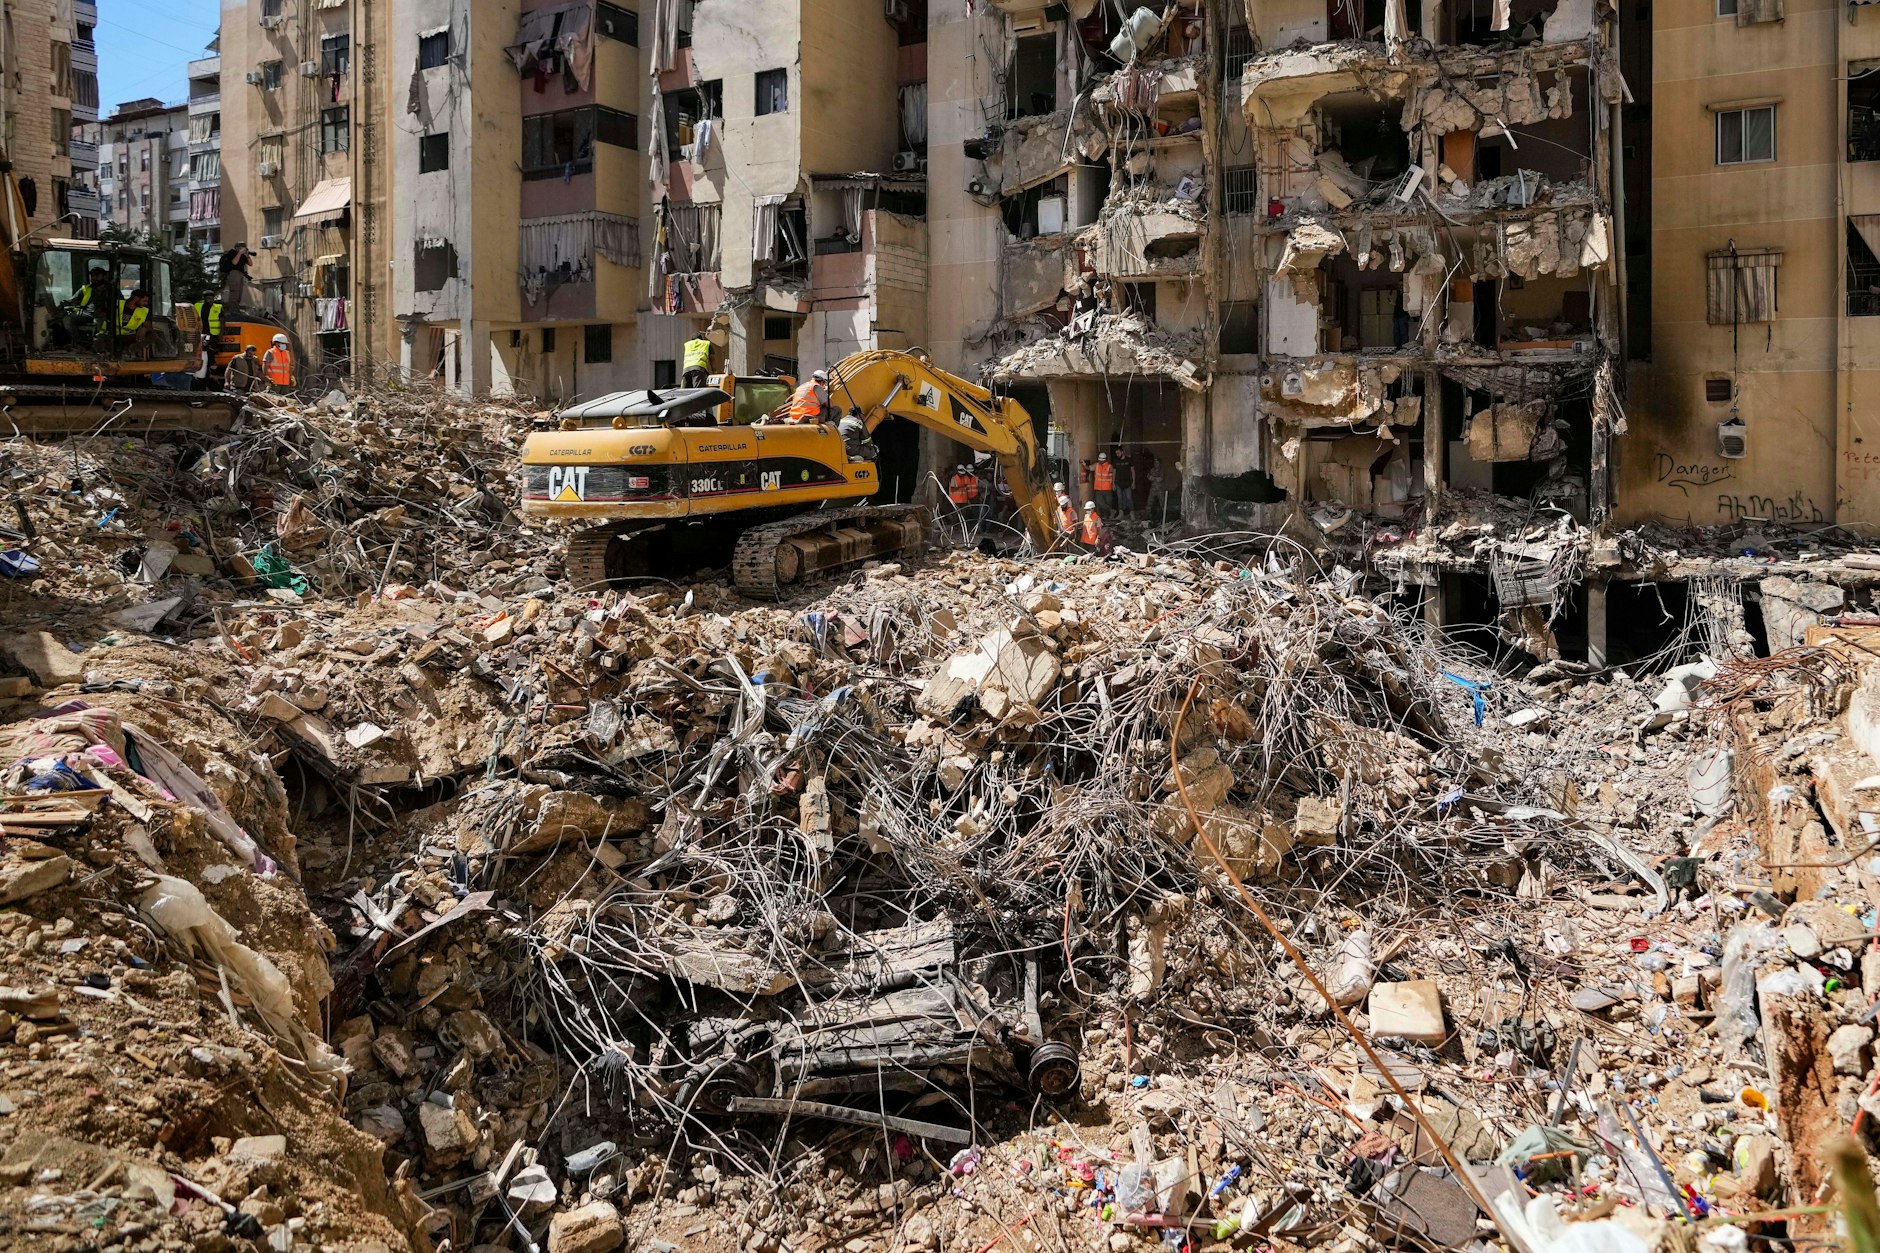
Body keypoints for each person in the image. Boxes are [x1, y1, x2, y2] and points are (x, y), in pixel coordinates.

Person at [1110, 445, 1135, 517]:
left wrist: (1133, 482)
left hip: (1127, 483)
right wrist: (1113, 483)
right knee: (1119, 498)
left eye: (1118, 453)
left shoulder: (1129, 460)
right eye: (1116, 453)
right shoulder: (1115, 461)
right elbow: (1114, 472)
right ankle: (1121, 513)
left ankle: (1132, 513)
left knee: (1129, 498)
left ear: (1122, 452)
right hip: (1118, 483)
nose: (1117, 455)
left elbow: (1133, 471)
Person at [1090, 451, 1116, 516]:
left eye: (1102, 460)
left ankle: (1106, 517)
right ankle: (1111, 511)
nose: (1100, 461)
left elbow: (1114, 474)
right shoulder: (1096, 465)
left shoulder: (1109, 466)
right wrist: (1084, 464)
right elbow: (1089, 468)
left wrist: (1113, 484)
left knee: (1107, 503)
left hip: (1107, 488)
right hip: (1098, 488)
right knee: (1100, 503)